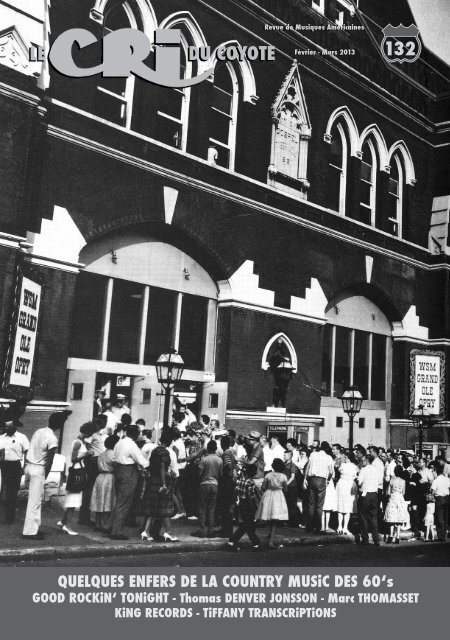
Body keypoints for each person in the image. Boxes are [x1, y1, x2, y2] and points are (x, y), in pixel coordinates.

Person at [22, 413, 65, 540]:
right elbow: (50, 460)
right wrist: (45, 474)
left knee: (34, 500)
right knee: (35, 502)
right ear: (59, 424)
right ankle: (30, 532)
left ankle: (34, 528)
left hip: (29, 466)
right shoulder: (52, 438)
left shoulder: (39, 431)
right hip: (38, 468)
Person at [110, 424, 148, 540]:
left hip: (118, 469)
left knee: (119, 500)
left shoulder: (119, 443)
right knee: (125, 502)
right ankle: (117, 531)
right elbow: (141, 460)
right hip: (129, 471)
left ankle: (113, 527)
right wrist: (146, 465)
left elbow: (114, 456)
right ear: (135, 434)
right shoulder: (132, 445)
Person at [57, 423, 94, 535]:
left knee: (73, 498)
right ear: (86, 432)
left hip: (79, 471)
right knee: (73, 500)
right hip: (77, 472)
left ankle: (63, 521)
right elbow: (73, 459)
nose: (90, 435)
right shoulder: (77, 442)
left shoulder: (82, 442)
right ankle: (68, 526)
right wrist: (87, 454)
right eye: (89, 433)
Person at [142, 428, 177, 542]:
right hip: (161, 482)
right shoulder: (164, 452)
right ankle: (169, 532)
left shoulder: (154, 450)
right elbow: (162, 467)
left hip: (152, 480)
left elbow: (151, 466)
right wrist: (164, 483)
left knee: (152, 508)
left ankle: (146, 531)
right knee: (165, 508)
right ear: (170, 441)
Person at [0, 416, 29, 524]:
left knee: (12, 491)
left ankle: (10, 516)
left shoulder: (22, 438)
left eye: (9, 427)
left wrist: (24, 467)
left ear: (14, 427)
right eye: (5, 427)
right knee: (3, 491)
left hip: (15, 466)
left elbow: (27, 453)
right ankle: (5, 513)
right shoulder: (1, 438)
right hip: (3, 466)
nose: (7, 429)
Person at [191, 440, 223, 538]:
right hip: (215, 484)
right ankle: (211, 530)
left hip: (204, 484)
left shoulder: (204, 460)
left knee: (202, 508)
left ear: (208, 448)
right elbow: (220, 474)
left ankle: (201, 530)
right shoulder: (219, 460)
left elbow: (199, 474)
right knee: (211, 509)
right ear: (216, 448)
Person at [255, 458, 288, 549]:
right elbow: (285, 489)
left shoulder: (268, 475)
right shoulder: (283, 476)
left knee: (268, 515)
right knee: (274, 518)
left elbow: (263, 487)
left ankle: (270, 535)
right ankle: (271, 541)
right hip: (278, 495)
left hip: (269, 494)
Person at [227, 464, 261, 551]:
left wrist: (234, 503)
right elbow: (250, 497)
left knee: (248, 524)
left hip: (241, 504)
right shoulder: (251, 482)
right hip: (248, 505)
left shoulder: (241, 480)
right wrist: (253, 509)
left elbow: (235, 492)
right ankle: (233, 540)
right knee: (247, 525)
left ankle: (255, 543)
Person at [303, 441, 334, 533]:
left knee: (311, 504)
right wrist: (328, 480)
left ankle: (309, 526)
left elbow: (307, 467)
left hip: (312, 479)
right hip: (322, 480)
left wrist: (305, 478)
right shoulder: (328, 457)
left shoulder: (313, 454)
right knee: (319, 505)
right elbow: (331, 472)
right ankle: (318, 527)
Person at [90, 435, 119, 532]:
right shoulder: (113, 454)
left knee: (99, 500)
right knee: (108, 501)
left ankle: (97, 523)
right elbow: (116, 465)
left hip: (100, 477)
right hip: (109, 477)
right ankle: (105, 524)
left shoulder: (101, 454)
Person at [79, 419, 105, 525]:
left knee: (89, 489)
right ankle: (84, 517)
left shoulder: (96, 435)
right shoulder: (92, 435)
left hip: (95, 460)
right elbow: (84, 442)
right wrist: (88, 451)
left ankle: (85, 516)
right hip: (93, 461)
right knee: (89, 489)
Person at [357, 454, 380, 546]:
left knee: (363, 517)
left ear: (367, 460)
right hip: (374, 494)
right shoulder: (376, 469)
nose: (362, 462)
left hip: (365, 494)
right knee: (373, 517)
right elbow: (379, 481)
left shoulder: (363, 469)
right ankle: (376, 539)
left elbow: (359, 482)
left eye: (363, 461)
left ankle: (365, 538)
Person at [384, 465, 409, 544]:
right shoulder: (403, 481)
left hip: (393, 498)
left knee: (392, 517)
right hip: (400, 498)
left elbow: (388, 491)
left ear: (395, 472)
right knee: (399, 518)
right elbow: (404, 492)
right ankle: (397, 536)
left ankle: (391, 535)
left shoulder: (392, 480)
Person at [336, 450, 358, 534]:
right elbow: (356, 475)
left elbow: (339, 471)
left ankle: (339, 527)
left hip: (342, 484)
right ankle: (344, 527)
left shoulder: (342, 466)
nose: (344, 458)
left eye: (345, 457)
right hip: (349, 485)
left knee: (341, 506)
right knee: (347, 507)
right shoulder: (354, 466)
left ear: (348, 458)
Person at [219, 435, 236, 537]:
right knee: (228, 506)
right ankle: (226, 530)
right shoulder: (231, 452)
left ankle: (226, 530)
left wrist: (226, 476)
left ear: (222, 444)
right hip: (231, 481)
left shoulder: (226, 453)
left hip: (227, 481)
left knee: (225, 507)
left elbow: (228, 465)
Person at [321, 442, 338, 532]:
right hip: (328, 481)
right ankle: (326, 526)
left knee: (323, 504)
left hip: (324, 480)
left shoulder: (322, 457)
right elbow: (332, 472)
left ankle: (323, 526)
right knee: (327, 505)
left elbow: (331, 472)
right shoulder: (329, 458)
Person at [431, 466, 450, 542]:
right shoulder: (447, 480)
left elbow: (432, 491)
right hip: (447, 498)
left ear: (436, 472)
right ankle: (444, 534)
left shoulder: (436, 480)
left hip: (439, 499)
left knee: (439, 517)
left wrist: (433, 496)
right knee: (445, 517)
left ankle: (440, 535)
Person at [284, 448, 301, 526]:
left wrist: (287, 484)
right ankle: (289, 520)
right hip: (287, 487)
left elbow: (293, 476)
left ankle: (294, 522)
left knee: (292, 504)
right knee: (288, 503)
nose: (284, 457)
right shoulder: (285, 464)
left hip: (292, 487)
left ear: (290, 456)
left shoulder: (292, 465)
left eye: (285, 455)